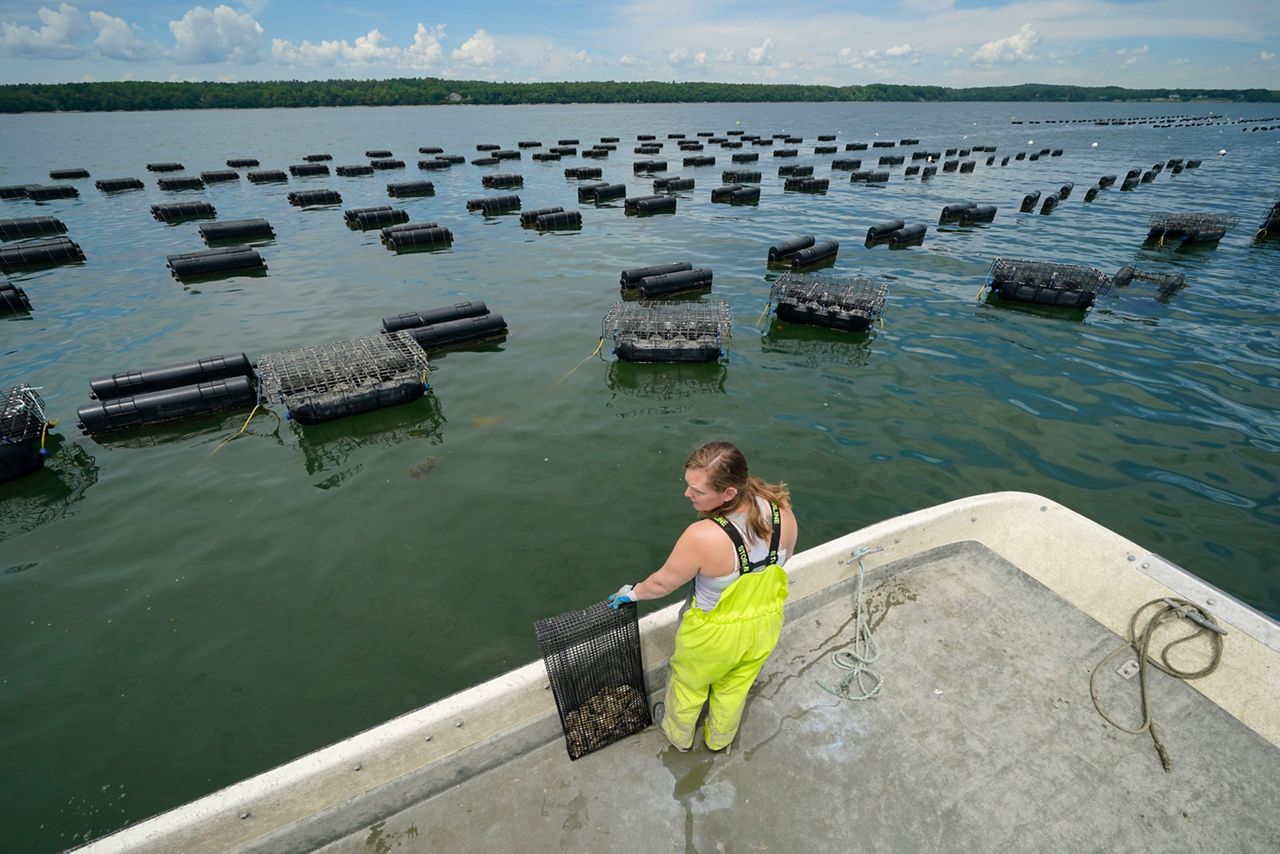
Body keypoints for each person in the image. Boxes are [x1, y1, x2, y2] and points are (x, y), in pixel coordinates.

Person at [608, 441, 798, 753]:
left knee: (688, 685)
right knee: (735, 686)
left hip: (712, 636)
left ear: (728, 494)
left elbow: (662, 584)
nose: (688, 495)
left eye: (697, 490)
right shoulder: (780, 510)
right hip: (765, 625)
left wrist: (632, 594)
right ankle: (719, 740)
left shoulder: (703, 536)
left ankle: (678, 736)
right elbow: (784, 558)